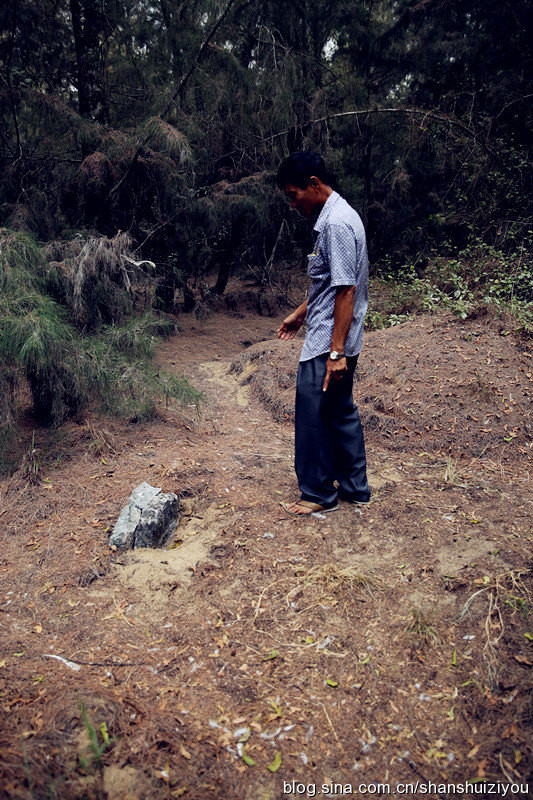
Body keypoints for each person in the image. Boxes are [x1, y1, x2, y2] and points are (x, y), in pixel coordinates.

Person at [276, 150, 370, 515]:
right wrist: (300, 314)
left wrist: (335, 353)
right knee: (339, 411)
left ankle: (318, 494)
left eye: (293, 194)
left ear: (313, 184)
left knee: (314, 414)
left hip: (328, 342)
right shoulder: (339, 216)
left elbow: (346, 290)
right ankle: (354, 488)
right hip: (333, 336)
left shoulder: (336, 225)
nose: (293, 203)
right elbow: (329, 284)